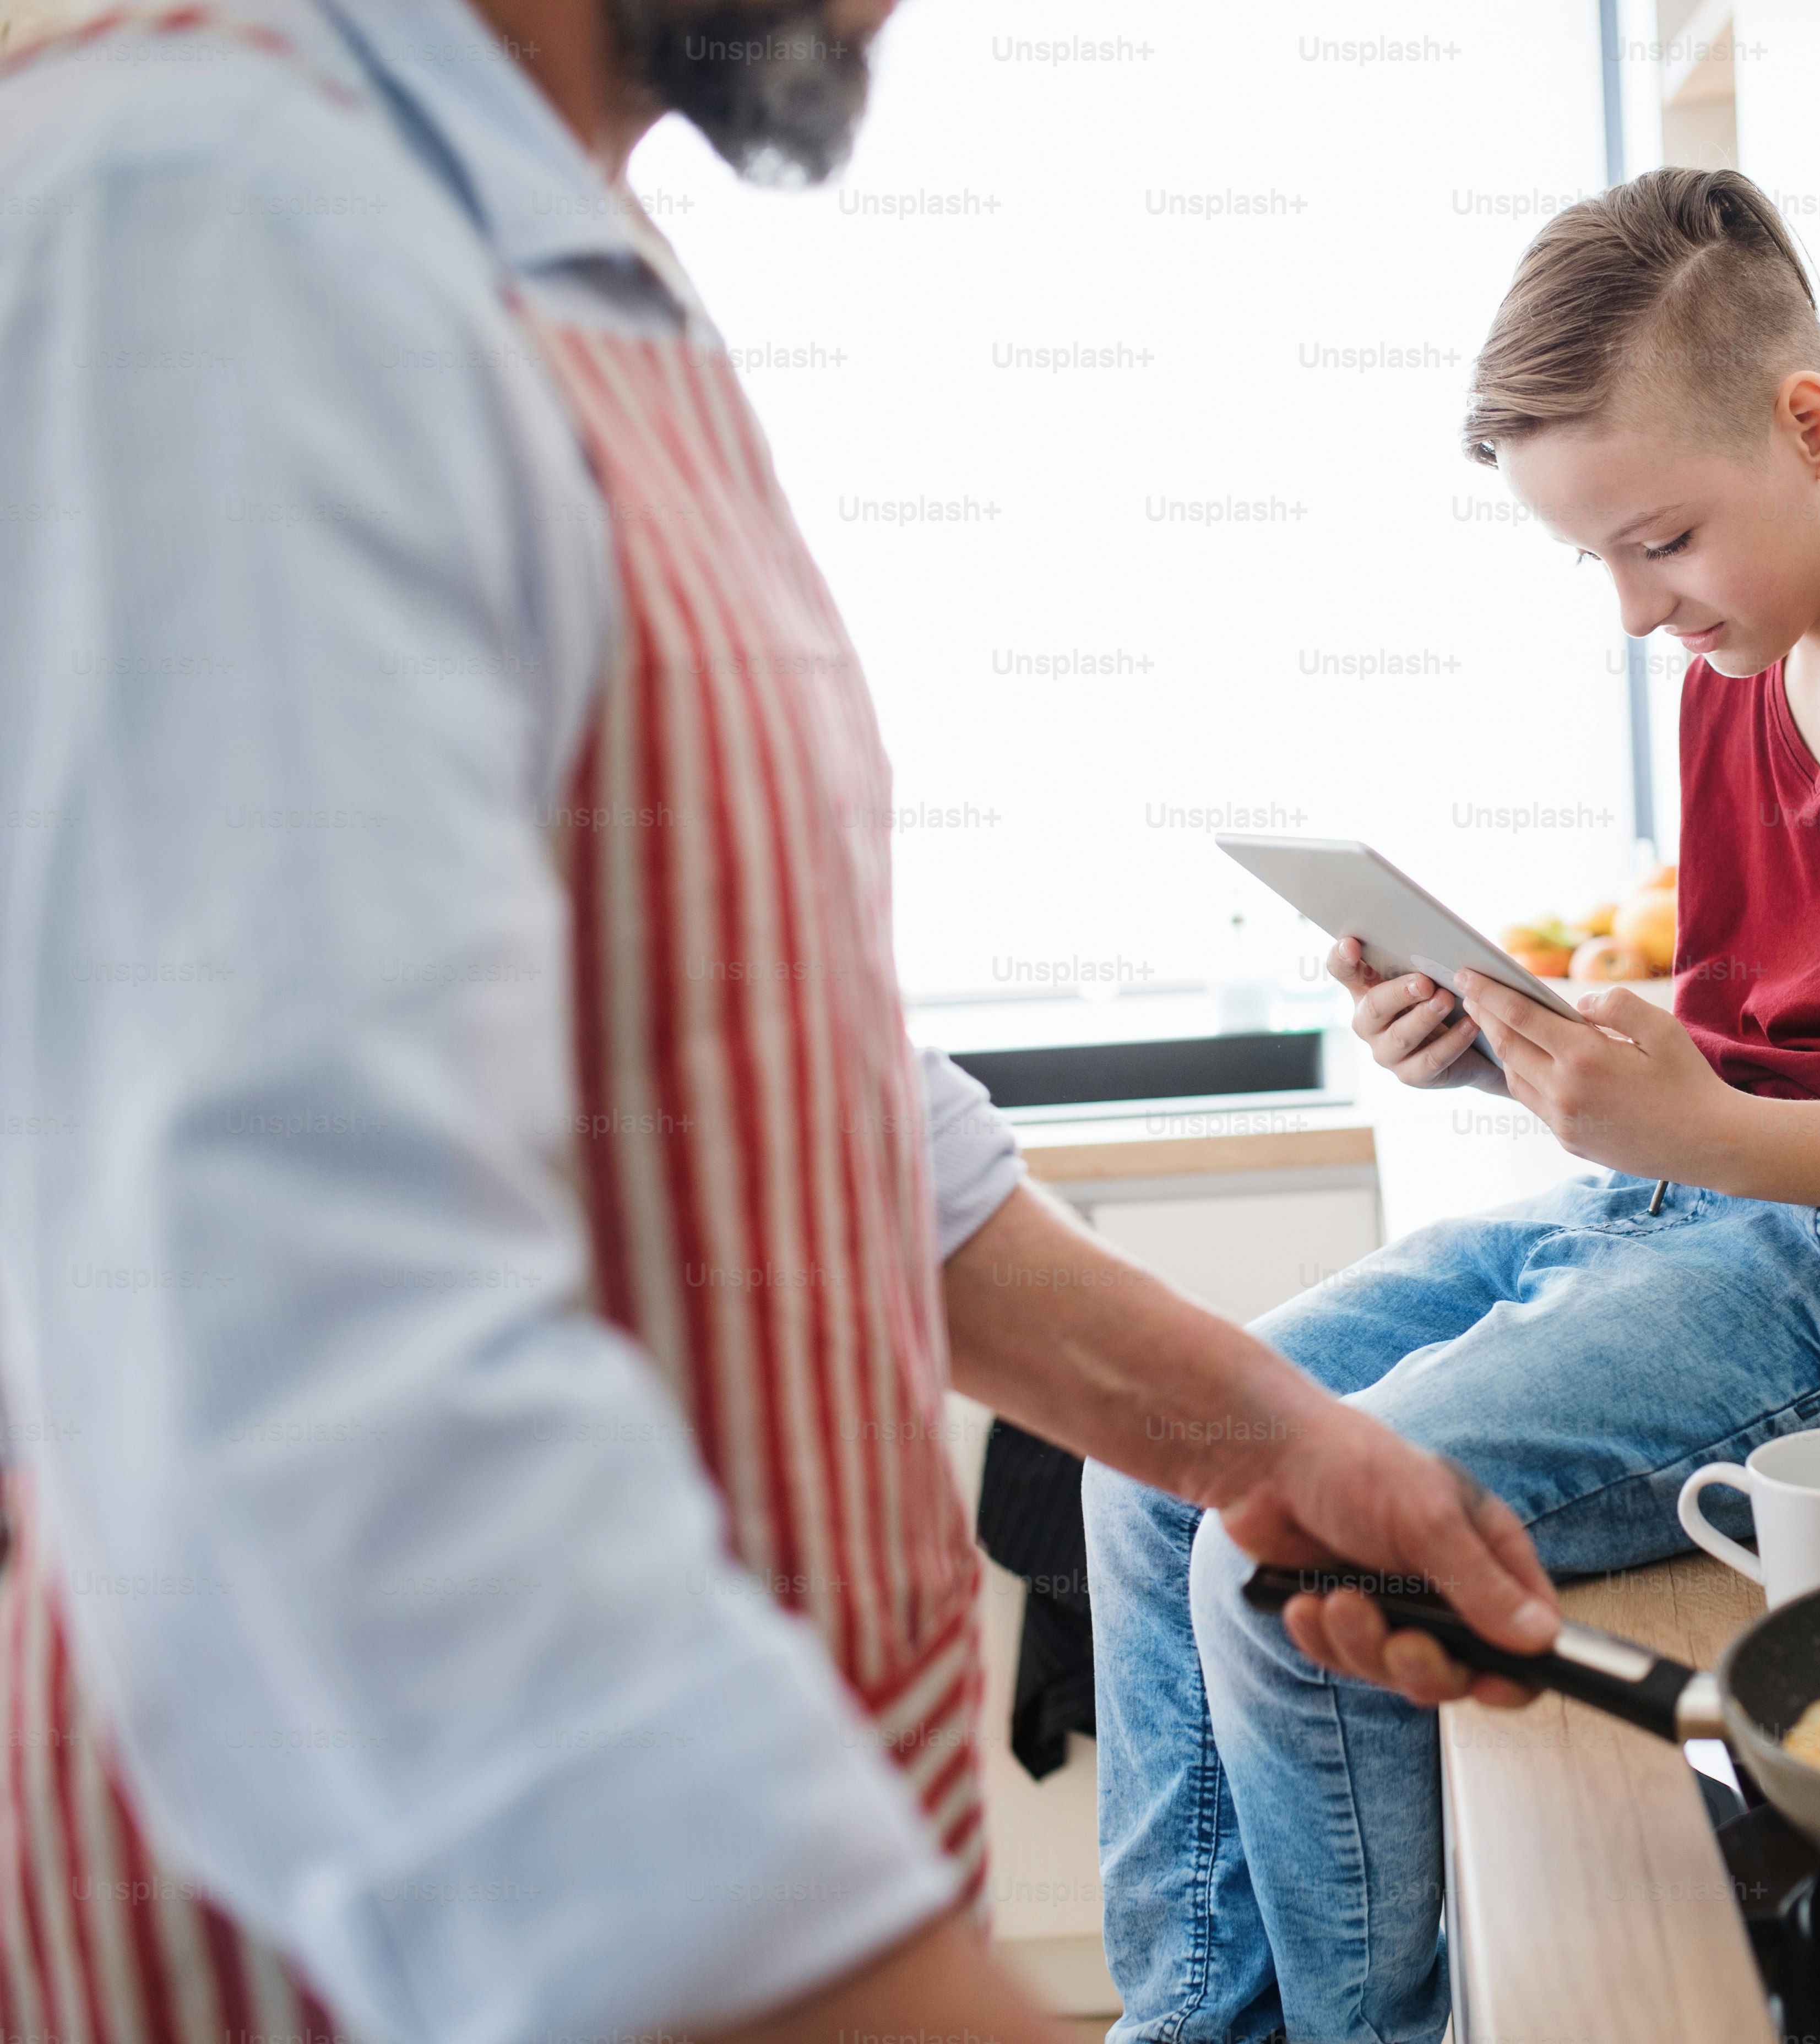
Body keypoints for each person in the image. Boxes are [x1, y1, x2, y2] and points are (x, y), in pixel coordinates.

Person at [0, 2, 1558, 2041]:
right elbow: (312, 1418)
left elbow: (791, 1084)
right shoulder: (215, 224)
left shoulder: (573, 264)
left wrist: (1274, 1443)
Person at [1088, 166, 1820, 2044]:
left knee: (1287, 1545)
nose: (1631, 611)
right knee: (1154, 1459)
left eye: (1661, 540)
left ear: (1814, 425)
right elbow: (1751, 1054)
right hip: (1714, 1226)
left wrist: (1700, 1134)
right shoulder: (1741, 678)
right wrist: (1508, 1047)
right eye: (1593, 561)